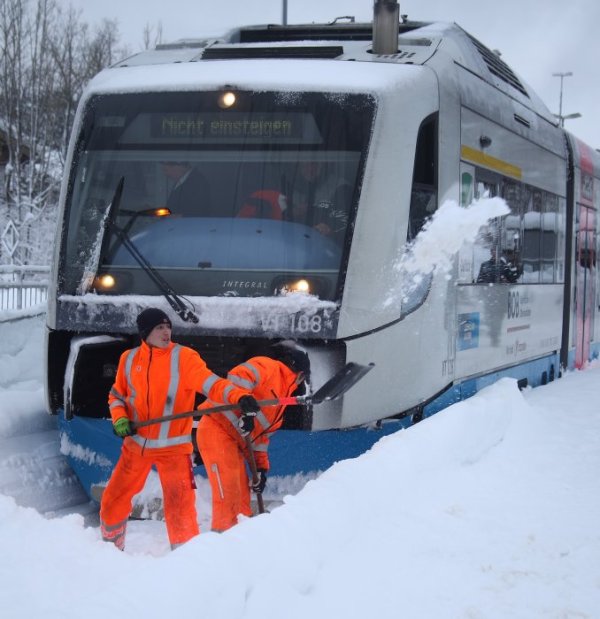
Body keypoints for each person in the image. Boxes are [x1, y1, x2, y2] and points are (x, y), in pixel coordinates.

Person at [99, 307, 260, 551]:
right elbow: (117, 395)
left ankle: (184, 562)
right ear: (145, 333)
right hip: (135, 447)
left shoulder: (184, 358)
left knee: (180, 509)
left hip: (173, 450)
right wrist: (120, 418)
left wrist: (240, 397)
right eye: (159, 328)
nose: (166, 332)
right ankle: (109, 548)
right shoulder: (129, 359)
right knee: (113, 500)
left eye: (168, 327)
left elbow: (212, 384)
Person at [196, 342, 310, 532]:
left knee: (241, 500)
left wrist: (260, 470)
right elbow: (238, 377)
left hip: (237, 442)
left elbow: (260, 441)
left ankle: (242, 540)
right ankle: (222, 544)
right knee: (228, 493)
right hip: (216, 428)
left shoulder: (280, 406)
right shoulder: (268, 366)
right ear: (300, 375)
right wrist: (244, 406)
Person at [287, 161, 352, 239]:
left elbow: (344, 223)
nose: (309, 169)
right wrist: (293, 212)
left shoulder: (342, 188)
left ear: (323, 165)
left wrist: (329, 228)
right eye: (304, 165)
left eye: (313, 164)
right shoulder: (292, 187)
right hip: (296, 238)